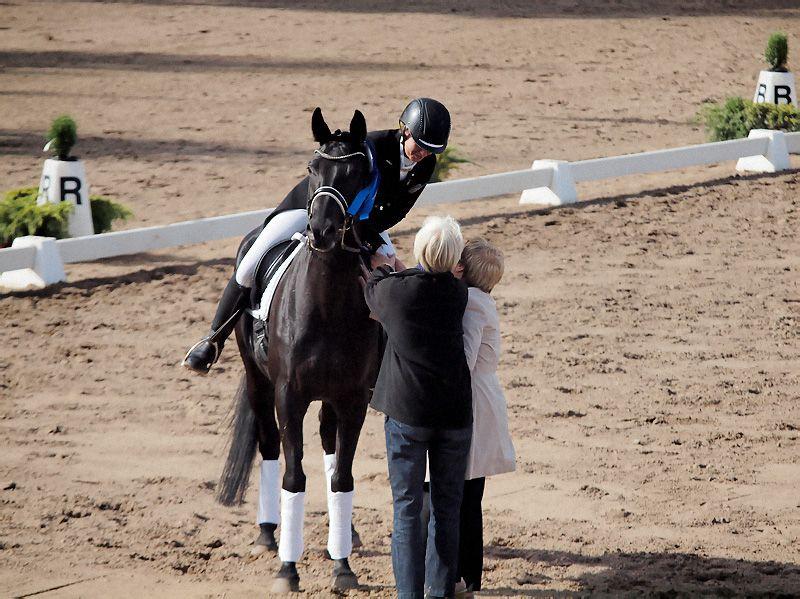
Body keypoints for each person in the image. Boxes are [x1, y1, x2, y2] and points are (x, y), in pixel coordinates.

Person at [182, 98, 452, 374]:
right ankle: (212, 340)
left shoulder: (425, 165)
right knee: (250, 265)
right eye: (420, 146)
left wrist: (367, 237)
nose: (423, 154)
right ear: (405, 130)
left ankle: (382, 361)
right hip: (312, 208)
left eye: (430, 151)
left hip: (364, 221)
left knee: (391, 268)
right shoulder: (371, 146)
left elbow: (399, 211)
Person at [364, 216, 472, 599]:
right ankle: (439, 591)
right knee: (446, 508)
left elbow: (374, 288)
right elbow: (428, 278)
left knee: (407, 509)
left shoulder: (395, 292)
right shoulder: (458, 293)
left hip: (408, 412)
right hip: (454, 412)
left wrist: (384, 267)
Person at [453, 238, 516, 596]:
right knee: (471, 496)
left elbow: (465, 357)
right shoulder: (483, 299)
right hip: (484, 396)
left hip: (474, 401)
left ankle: (466, 576)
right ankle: (470, 576)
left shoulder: (472, 304)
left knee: (466, 495)